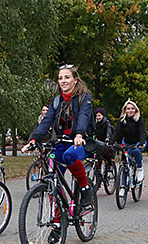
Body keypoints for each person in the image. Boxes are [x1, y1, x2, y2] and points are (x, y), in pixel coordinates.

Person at [21, 64, 94, 208]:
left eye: (67, 77)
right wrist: (34, 140)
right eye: (60, 78)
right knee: (52, 173)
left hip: (81, 143)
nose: (63, 81)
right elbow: (46, 121)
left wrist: (79, 134)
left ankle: (85, 189)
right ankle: (57, 222)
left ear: (75, 80)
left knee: (69, 156)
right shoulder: (57, 101)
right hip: (61, 143)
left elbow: (84, 116)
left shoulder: (84, 98)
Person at [112, 99, 147, 182]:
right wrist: (112, 142)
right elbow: (117, 133)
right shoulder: (122, 121)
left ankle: (139, 168)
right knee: (125, 163)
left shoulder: (139, 120)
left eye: (132, 108)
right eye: (128, 109)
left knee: (137, 151)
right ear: (125, 110)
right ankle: (123, 186)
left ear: (135, 110)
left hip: (138, 141)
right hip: (127, 143)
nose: (130, 110)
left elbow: (142, 132)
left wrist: (141, 142)